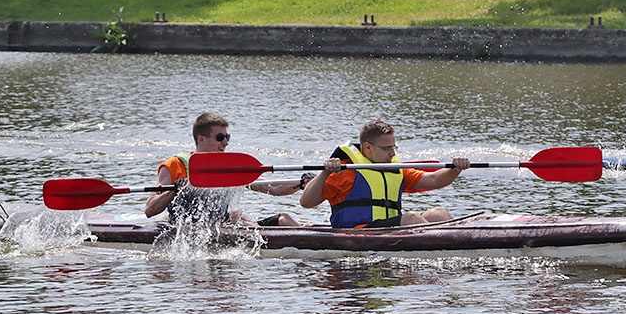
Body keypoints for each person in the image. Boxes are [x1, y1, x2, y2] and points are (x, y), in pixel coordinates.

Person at [299, 120, 470, 228]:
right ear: (367, 147)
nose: (393, 154)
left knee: (437, 213)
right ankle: (448, 247)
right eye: (387, 148)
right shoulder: (345, 171)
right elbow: (306, 202)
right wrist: (324, 173)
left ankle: (461, 243)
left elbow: (433, 180)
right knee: (410, 218)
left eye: (393, 147)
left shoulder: (394, 169)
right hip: (358, 233)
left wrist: (455, 169)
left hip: (388, 230)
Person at [145, 113, 307, 225]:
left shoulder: (227, 166)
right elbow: (150, 209)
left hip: (222, 226)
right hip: (187, 230)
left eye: (227, 137)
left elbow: (274, 187)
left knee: (283, 219)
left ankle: (302, 236)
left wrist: (302, 183)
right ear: (201, 139)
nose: (225, 142)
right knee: (236, 214)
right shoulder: (175, 165)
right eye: (220, 137)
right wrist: (174, 190)